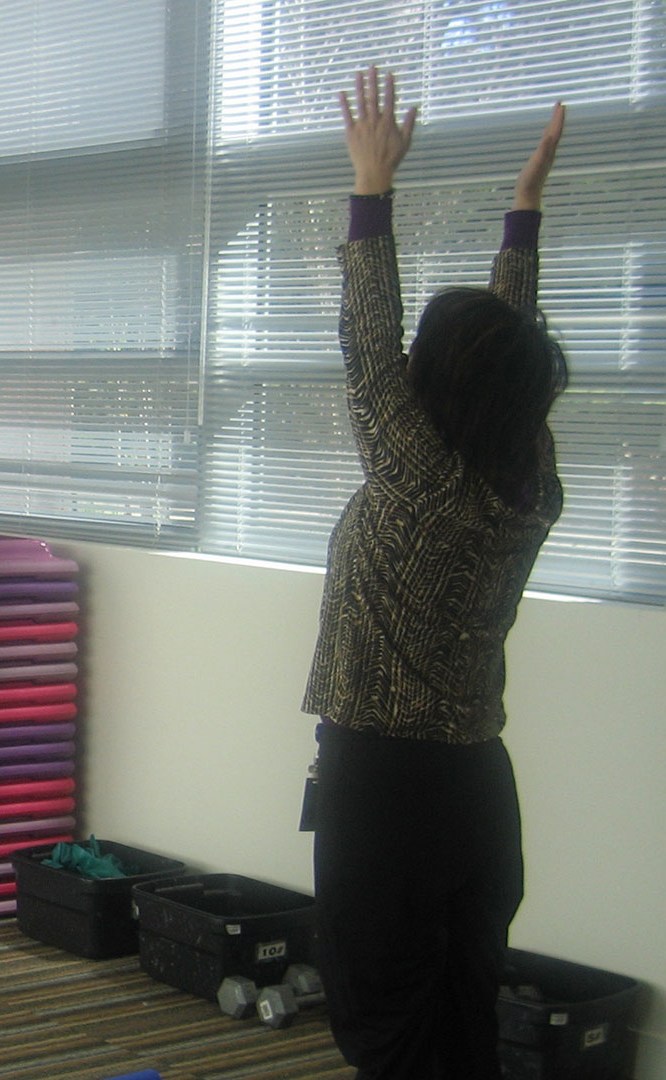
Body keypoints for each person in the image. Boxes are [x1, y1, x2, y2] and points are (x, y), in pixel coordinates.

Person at [306, 66, 568, 1079]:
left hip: (388, 793)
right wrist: (522, 217)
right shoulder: (523, 480)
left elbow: (369, 348)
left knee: (388, 1033)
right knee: (459, 1023)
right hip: (472, 796)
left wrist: (371, 187)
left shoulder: (425, 485)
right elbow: (503, 363)